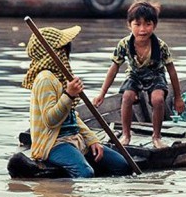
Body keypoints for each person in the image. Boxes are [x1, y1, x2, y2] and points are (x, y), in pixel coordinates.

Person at [22, 25, 131, 178]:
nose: (66, 54)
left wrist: (92, 139)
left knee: (122, 166)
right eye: (63, 50)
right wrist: (69, 94)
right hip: (54, 144)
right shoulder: (45, 79)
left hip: (75, 140)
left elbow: (72, 116)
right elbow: (50, 120)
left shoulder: (60, 77)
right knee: (85, 173)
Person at [92, 0, 185, 148]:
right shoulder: (124, 44)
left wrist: (178, 98)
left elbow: (172, 71)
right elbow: (114, 68)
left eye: (148, 24)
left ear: (154, 25)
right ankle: (126, 134)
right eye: (137, 24)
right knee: (127, 96)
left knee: (158, 99)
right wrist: (102, 93)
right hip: (134, 74)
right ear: (129, 25)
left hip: (155, 75)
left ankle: (157, 136)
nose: (143, 29)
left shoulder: (160, 46)